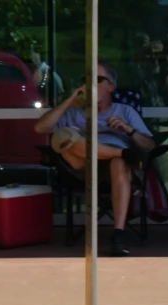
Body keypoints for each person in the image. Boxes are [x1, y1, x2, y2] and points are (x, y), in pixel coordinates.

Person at [37, 65, 154, 255]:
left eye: (98, 80)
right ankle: (121, 153)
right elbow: (41, 128)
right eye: (87, 79)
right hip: (82, 168)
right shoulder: (74, 112)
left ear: (111, 87)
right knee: (61, 137)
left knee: (118, 163)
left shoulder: (125, 111)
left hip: (113, 172)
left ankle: (118, 234)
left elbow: (149, 146)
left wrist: (128, 129)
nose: (91, 84)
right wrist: (70, 100)